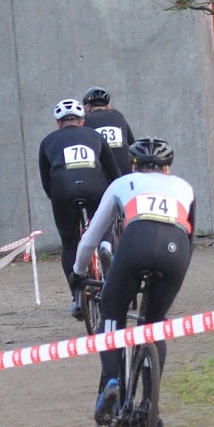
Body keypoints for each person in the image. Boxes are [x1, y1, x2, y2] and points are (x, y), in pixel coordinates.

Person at [74, 138, 193, 425]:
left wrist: (77, 272)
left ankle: (112, 380)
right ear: (167, 168)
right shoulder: (185, 188)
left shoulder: (122, 183)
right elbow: (191, 239)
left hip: (135, 244)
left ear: (134, 166)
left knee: (111, 312)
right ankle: (150, 406)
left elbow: (90, 238)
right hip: (175, 252)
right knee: (154, 324)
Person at [37, 99, 125, 314]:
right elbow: (113, 174)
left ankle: (77, 299)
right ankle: (105, 244)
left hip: (63, 191)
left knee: (70, 244)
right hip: (95, 187)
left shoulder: (47, 141)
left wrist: (58, 201)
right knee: (103, 221)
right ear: (82, 121)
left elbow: (46, 181)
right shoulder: (95, 136)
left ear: (58, 124)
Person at [82, 86, 134, 152]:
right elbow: (132, 143)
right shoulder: (117, 115)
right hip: (124, 158)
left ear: (87, 107)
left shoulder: (85, 120)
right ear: (108, 106)